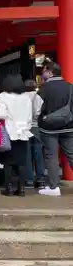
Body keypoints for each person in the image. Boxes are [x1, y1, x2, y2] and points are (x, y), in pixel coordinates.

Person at [0, 74, 33, 197]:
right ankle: (21, 189)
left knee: (8, 162)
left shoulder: (3, 97)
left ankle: (8, 188)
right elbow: (30, 116)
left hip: (9, 132)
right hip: (24, 132)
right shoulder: (27, 97)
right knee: (21, 162)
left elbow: (1, 115)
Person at [38, 62, 73, 197]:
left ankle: (53, 187)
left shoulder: (44, 89)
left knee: (51, 156)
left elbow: (37, 110)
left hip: (49, 129)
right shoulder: (70, 87)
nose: (42, 74)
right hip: (69, 127)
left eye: (44, 71)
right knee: (72, 155)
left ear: (50, 72)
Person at [23, 79, 46, 189]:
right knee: (38, 154)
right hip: (36, 127)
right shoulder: (38, 97)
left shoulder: (21, 97)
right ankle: (41, 179)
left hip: (25, 128)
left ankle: (29, 180)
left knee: (27, 154)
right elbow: (40, 112)